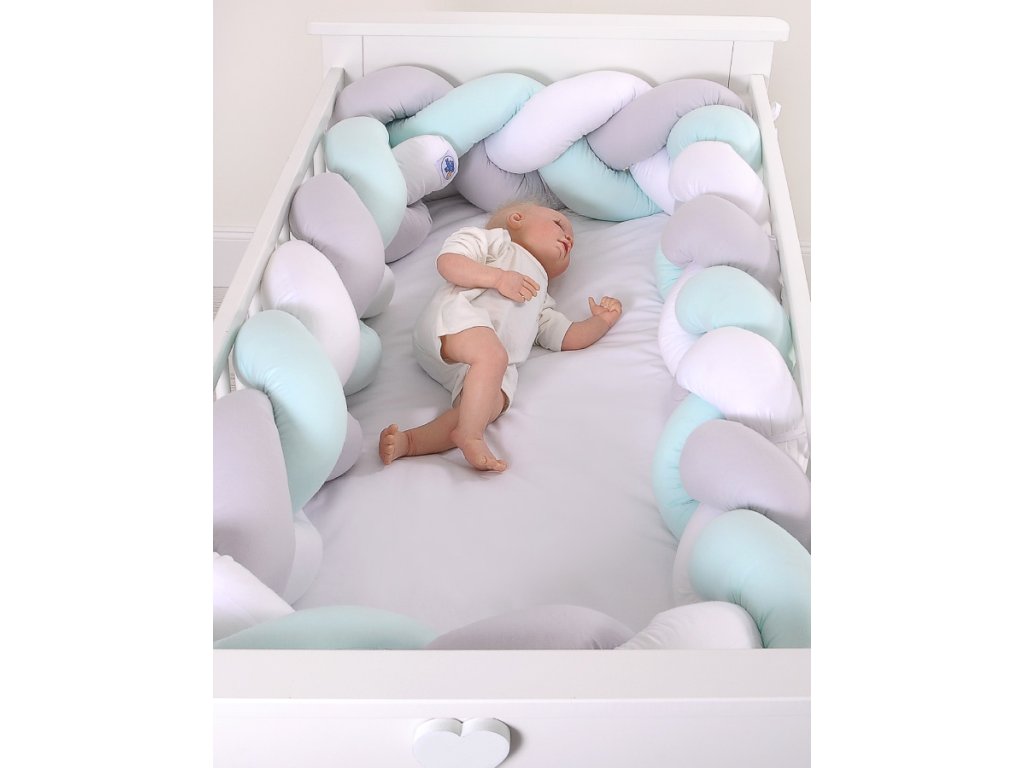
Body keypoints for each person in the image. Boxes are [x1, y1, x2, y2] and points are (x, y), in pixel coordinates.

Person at [378, 202, 623, 472]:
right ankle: (471, 435)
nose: (568, 238)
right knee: (492, 355)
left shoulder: (541, 297)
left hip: (481, 367)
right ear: (517, 219)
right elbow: (448, 263)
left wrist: (601, 322)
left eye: (571, 240)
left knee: (487, 406)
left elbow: (567, 337)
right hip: (452, 323)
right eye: (559, 224)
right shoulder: (499, 244)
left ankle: (411, 442)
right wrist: (498, 278)